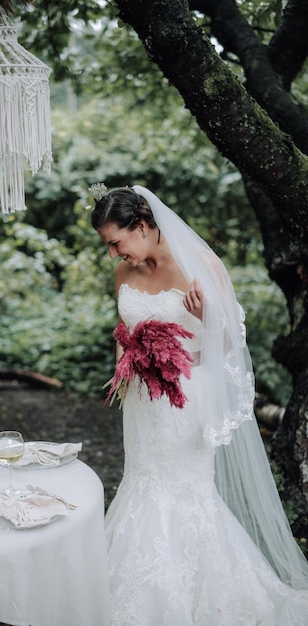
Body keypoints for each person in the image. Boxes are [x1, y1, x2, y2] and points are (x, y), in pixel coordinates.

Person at [90, 184, 308, 625]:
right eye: (108, 246)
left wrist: (208, 315)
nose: (114, 255)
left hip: (184, 404)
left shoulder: (202, 266)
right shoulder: (123, 276)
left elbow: (230, 345)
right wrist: (121, 370)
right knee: (141, 482)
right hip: (142, 407)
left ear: (144, 225)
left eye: (117, 243)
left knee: (184, 493)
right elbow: (124, 331)